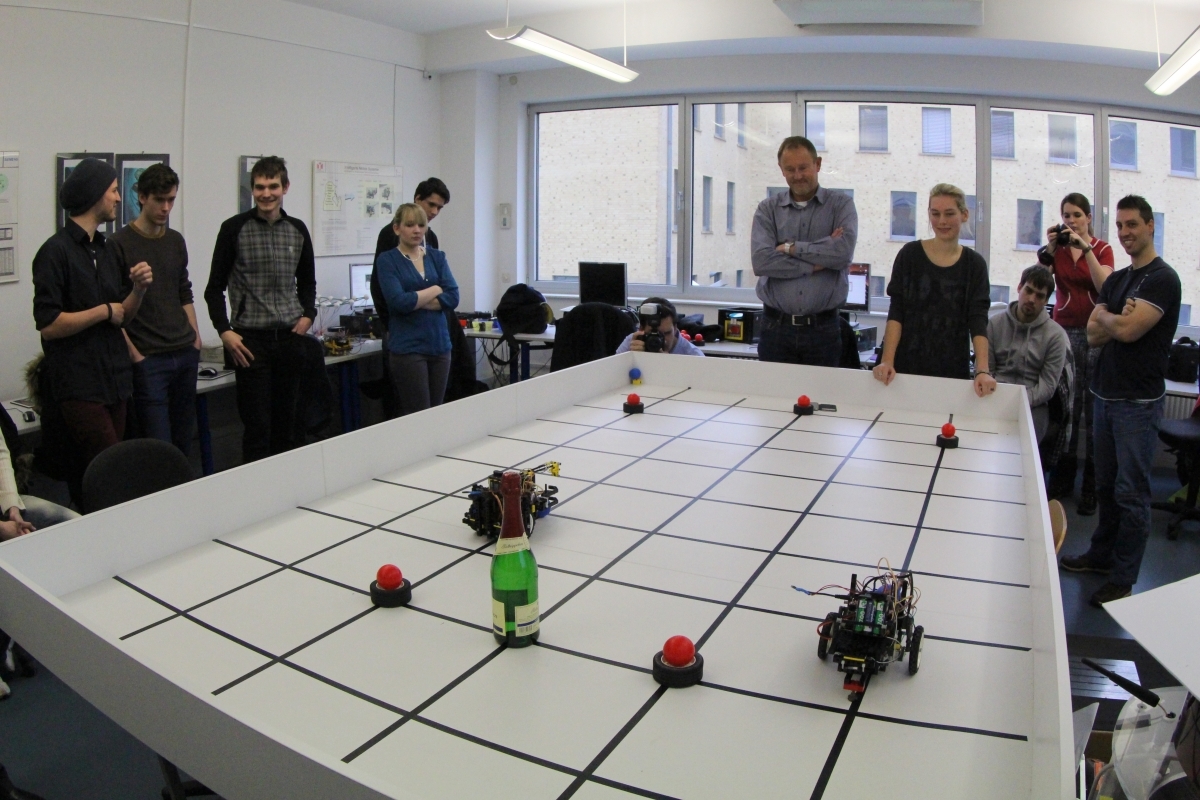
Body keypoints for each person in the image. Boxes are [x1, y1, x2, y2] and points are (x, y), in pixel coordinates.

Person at [1060, 195, 1181, 608]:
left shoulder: (1162, 279)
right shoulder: (1119, 280)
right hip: (1104, 394)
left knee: (1131, 494)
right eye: (1121, 226)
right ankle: (1101, 556)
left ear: (1150, 226)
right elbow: (1094, 331)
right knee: (1107, 488)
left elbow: (1127, 332)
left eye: (1133, 225)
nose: (1126, 233)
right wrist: (1118, 318)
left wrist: (1114, 321)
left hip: (1137, 404)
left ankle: (1124, 577)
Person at [32, 158, 153, 502]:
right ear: (95, 195)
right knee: (108, 471)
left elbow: (122, 316)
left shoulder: (107, 248)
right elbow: (49, 325)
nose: (118, 198)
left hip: (115, 380)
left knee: (113, 469)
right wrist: (103, 311)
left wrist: (139, 289)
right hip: (80, 385)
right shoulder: (55, 252)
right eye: (113, 190)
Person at [204, 156, 316, 463]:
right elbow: (214, 289)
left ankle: (289, 487)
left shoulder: (297, 230)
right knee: (257, 429)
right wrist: (224, 331)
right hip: (250, 344)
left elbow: (307, 282)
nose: (266, 194)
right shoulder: (234, 229)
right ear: (252, 189)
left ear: (285, 187)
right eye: (259, 187)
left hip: (291, 339)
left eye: (273, 186)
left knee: (289, 427)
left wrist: (309, 314)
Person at [108, 164, 202, 456]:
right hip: (149, 360)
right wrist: (136, 356)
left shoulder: (175, 240)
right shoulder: (118, 244)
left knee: (184, 442)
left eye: (171, 200)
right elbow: (113, 309)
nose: (166, 208)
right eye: (159, 200)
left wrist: (196, 338)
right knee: (158, 448)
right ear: (142, 197)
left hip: (184, 352)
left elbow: (184, 290)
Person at [872, 183, 994, 397]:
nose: (942, 221)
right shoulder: (909, 255)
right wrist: (887, 361)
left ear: (964, 215)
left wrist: (982, 370)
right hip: (904, 366)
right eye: (935, 214)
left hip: (951, 368)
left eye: (949, 214)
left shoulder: (975, 265)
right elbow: (897, 312)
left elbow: (978, 320)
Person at [751, 136, 858, 366]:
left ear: (817, 164)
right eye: (790, 169)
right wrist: (816, 262)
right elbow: (762, 262)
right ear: (781, 169)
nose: (797, 175)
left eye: (803, 167)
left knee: (823, 391)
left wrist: (790, 248)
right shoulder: (767, 209)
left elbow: (842, 254)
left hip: (823, 331)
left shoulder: (841, 206)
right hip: (775, 329)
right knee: (772, 390)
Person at [1040, 193, 1116, 515]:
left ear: (1088, 218)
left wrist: (1084, 248)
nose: (1071, 221)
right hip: (1064, 331)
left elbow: (1106, 286)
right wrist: (1050, 249)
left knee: (1093, 410)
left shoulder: (1102, 249)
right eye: (1066, 216)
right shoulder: (1057, 250)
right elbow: (1039, 280)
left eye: (1077, 215)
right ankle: (1064, 476)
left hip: (1096, 333)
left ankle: (1092, 485)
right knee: (1067, 407)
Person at [375, 203, 460, 415]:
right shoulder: (387, 261)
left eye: (421, 225)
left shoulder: (437, 257)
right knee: (419, 415)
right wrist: (435, 289)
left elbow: (453, 297)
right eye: (410, 225)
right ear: (397, 228)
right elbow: (399, 303)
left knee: (436, 414)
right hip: (408, 349)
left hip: (440, 346)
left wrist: (416, 300)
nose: (417, 230)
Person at [987, 265, 1072, 442]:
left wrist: (1019, 401)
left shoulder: (1056, 336)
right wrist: (1000, 397)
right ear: (1019, 288)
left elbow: (1048, 385)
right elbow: (986, 370)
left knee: (1025, 444)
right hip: (995, 395)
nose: (1032, 299)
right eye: (1028, 290)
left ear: (1046, 300)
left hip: (1033, 403)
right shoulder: (994, 324)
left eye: (1039, 296)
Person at [371, 178, 449, 321]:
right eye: (431, 204)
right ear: (417, 199)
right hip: (401, 323)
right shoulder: (390, 234)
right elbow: (379, 287)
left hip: (431, 322)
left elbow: (451, 295)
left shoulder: (431, 238)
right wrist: (387, 324)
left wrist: (424, 300)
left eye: (439, 208)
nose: (434, 212)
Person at [616, 297, 704, 356]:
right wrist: (632, 358)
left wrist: (667, 363)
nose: (663, 340)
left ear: (675, 328)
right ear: (641, 329)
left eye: (667, 333)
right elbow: (613, 374)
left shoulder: (693, 356)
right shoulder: (632, 343)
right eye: (654, 334)